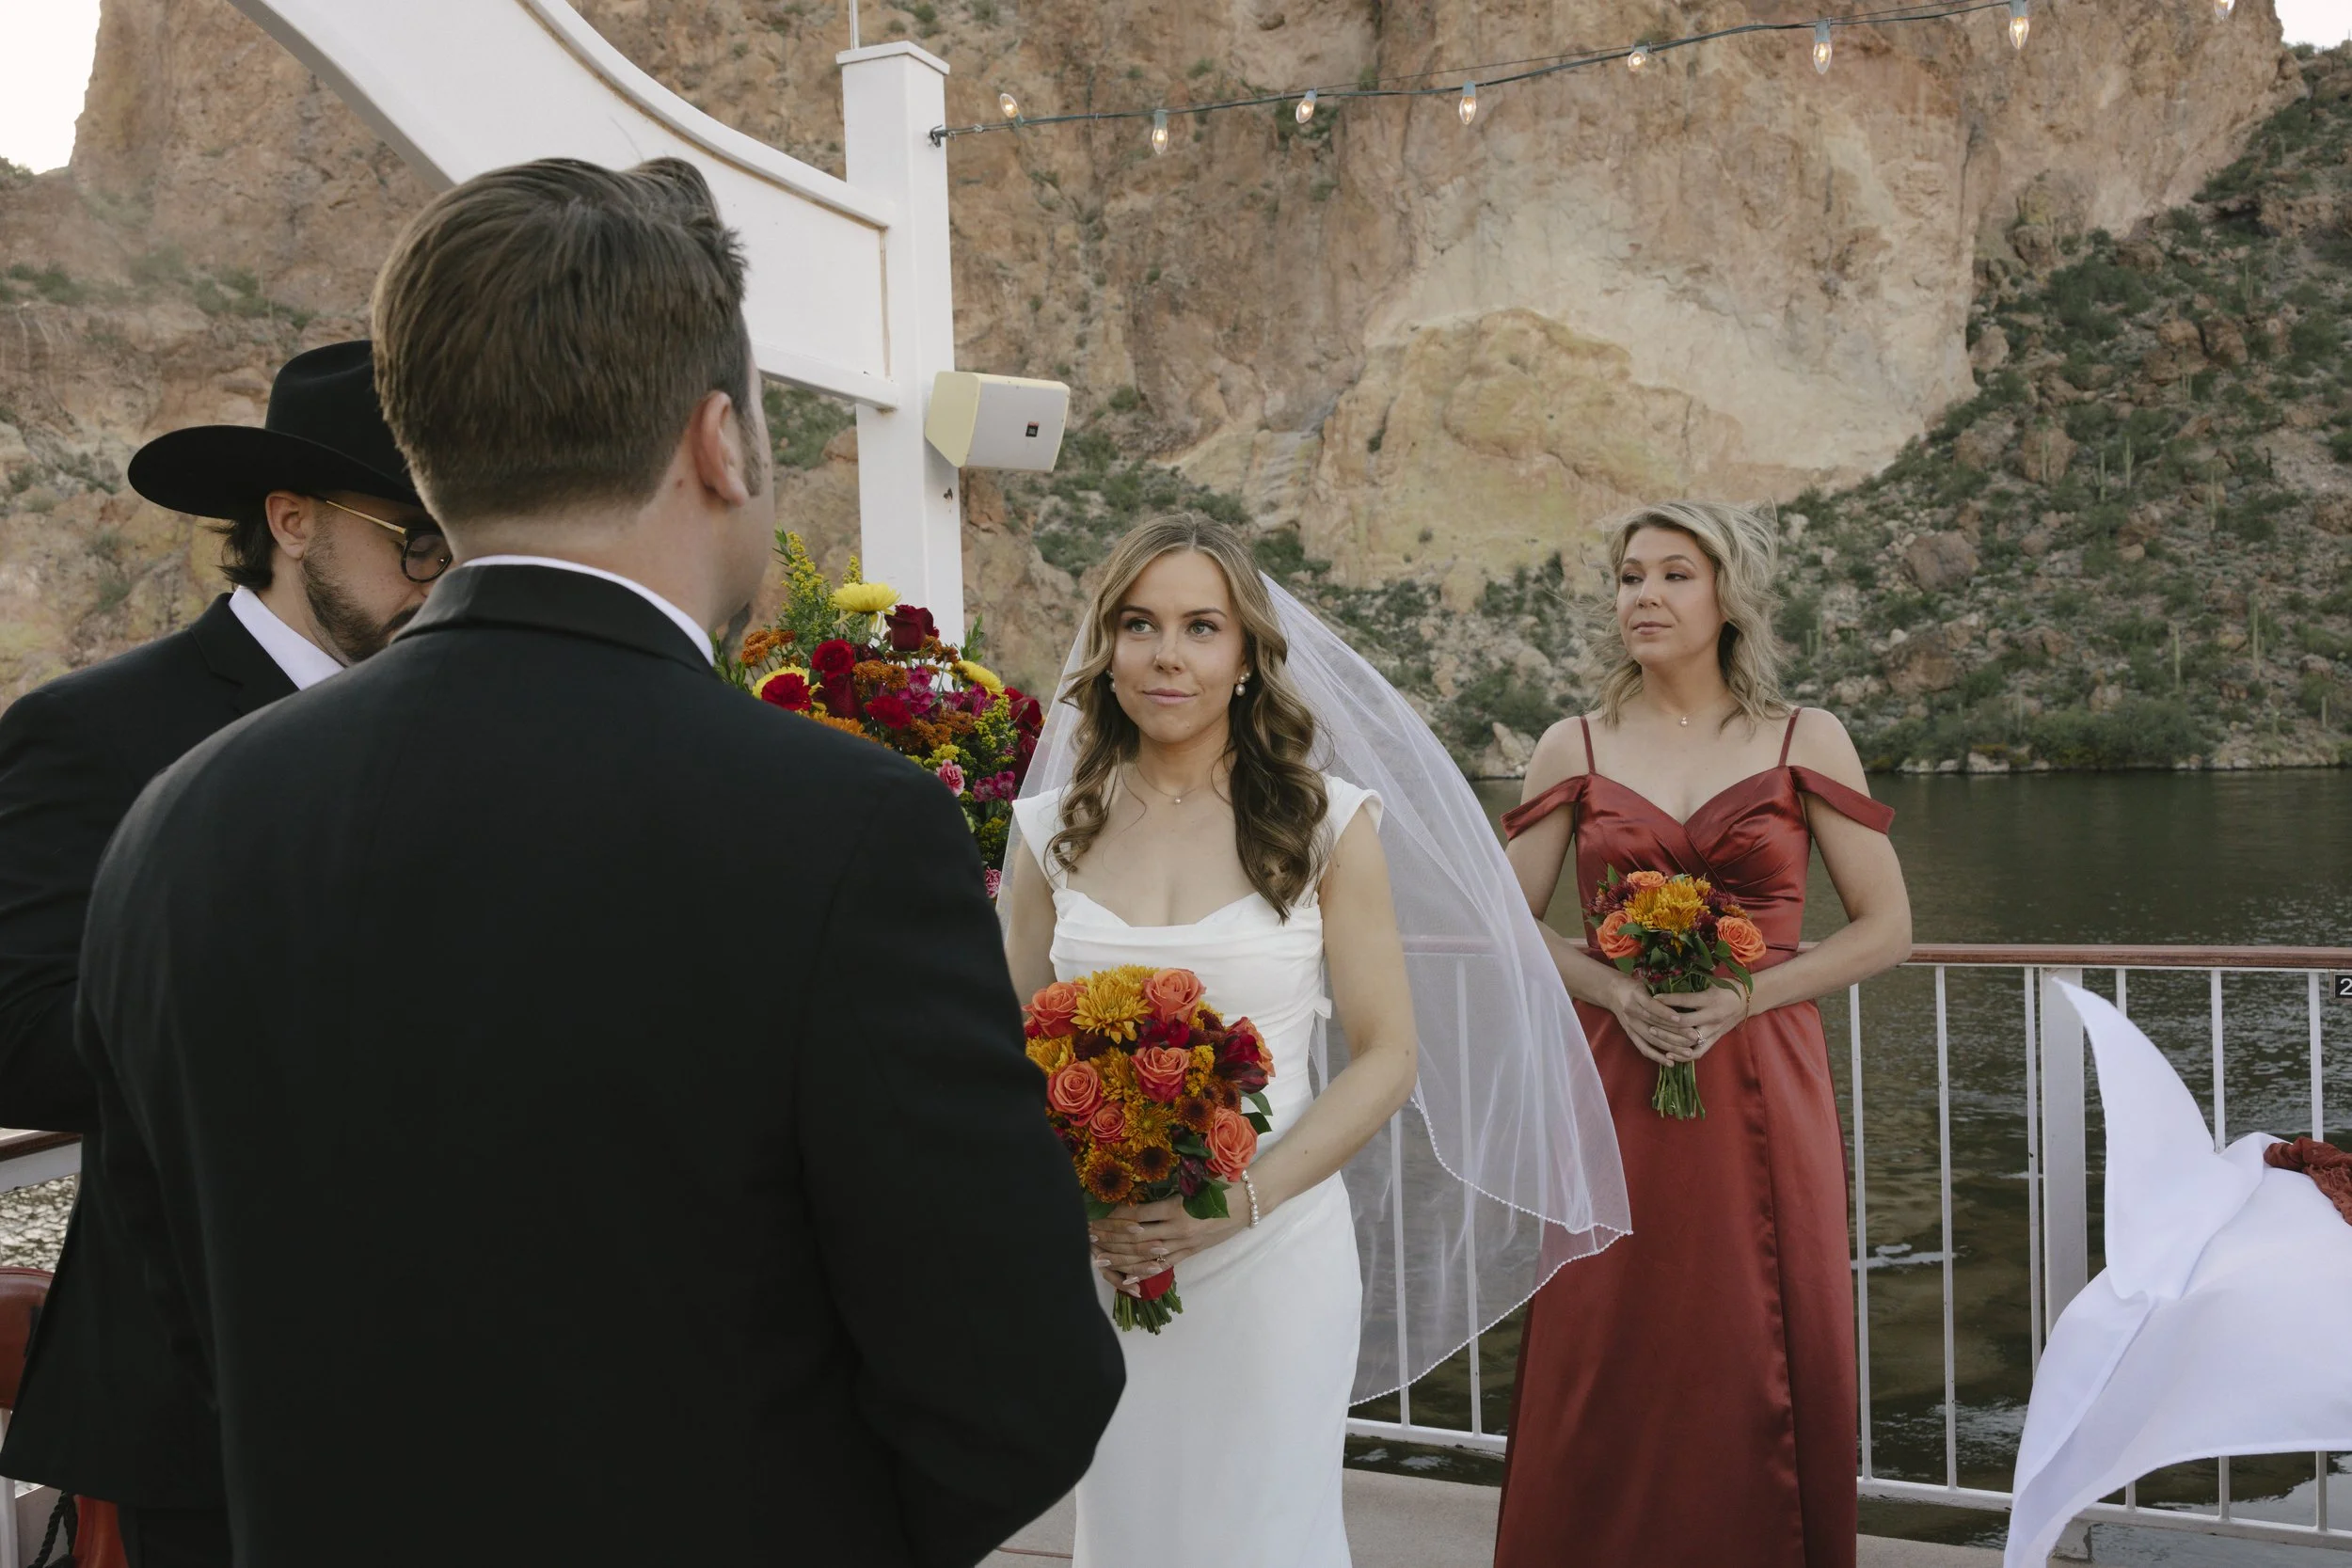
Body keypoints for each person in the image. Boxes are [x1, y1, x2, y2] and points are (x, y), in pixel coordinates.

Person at [72, 156, 1120, 1568]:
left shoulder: (177, 826)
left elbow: (181, 1327)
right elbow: (1020, 1380)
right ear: (719, 442)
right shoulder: (840, 827)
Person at [1000, 514, 1629, 1568]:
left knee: (1267, 1533)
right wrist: (1087, 1199)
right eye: (1140, 624)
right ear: (1104, 649)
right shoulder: (1045, 829)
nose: (1168, 654)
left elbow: (1387, 1054)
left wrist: (1232, 1206)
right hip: (1110, 1255)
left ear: (1245, 656)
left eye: (1201, 626)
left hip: (1273, 1248)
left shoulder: (1327, 821)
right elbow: (1009, 1055)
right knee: (1128, 1531)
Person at [0, 339, 444, 1568]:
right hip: (198, 1391)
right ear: (291, 519)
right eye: (414, 538)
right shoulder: (94, 729)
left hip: (456, 1393)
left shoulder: (474, 724)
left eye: (463, 541)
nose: (442, 575)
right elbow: (20, 1032)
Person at [1491, 501, 1913, 1568]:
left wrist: (1746, 997)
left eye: (1675, 574)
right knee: (1606, 1334)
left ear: (1727, 597)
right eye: (1630, 575)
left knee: (1753, 1329)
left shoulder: (1801, 737)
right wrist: (1611, 987)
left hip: (1764, 1076)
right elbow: (1504, 919)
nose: (1644, 596)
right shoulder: (1570, 744)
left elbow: (1887, 929)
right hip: (1612, 1078)